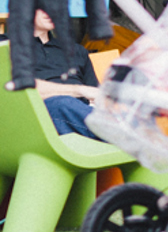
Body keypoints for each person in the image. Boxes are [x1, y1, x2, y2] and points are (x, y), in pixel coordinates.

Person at [0, 7, 102, 139]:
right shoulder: (5, 45)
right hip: (33, 118)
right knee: (62, 104)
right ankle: (130, 138)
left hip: (79, 118)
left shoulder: (77, 51)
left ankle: (127, 135)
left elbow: (96, 95)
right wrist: (79, 90)